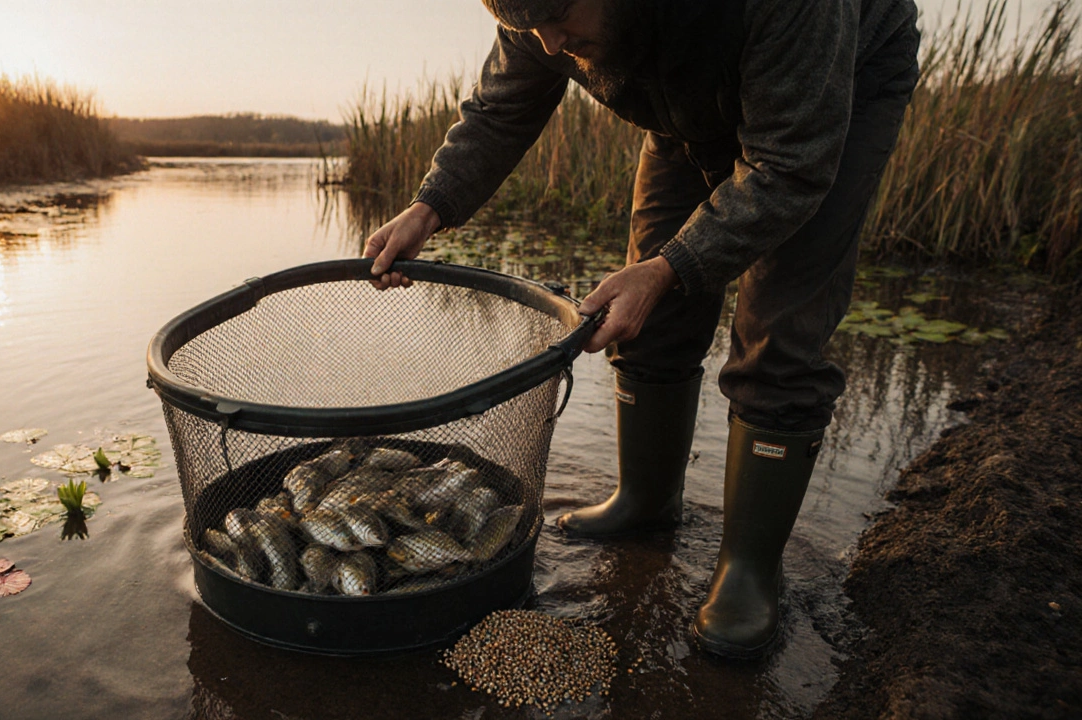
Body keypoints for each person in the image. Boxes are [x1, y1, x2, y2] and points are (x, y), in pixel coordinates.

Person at [361, 0, 920, 659]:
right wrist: (430, 207)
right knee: (646, 313)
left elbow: (791, 167)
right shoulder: (542, 20)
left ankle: (748, 568)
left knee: (779, 333)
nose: (550, 42)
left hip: (825, 99)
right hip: (683, 109)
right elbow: (499, 110)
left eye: (562, 17)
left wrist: (670, 268)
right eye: (530, 28)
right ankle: (646, 500)